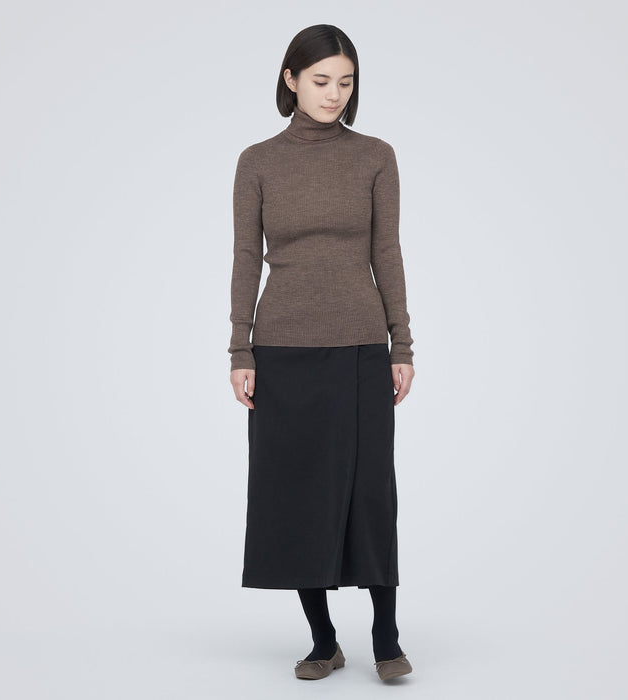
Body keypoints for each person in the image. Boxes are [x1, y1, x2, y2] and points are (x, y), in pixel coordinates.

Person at [227, 24, 416, 682]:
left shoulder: (375, 156)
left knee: (371, 492)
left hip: (362, 347)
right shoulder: (258, 162)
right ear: (291, 80)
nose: (334, 94)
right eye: (320, 81)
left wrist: (401, 342)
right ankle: (323, 640)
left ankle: (387, 637)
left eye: (346, 82)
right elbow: (245, 258)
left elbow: (387, 252)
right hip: (281, 350)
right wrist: (240, 350)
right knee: (298, 492)